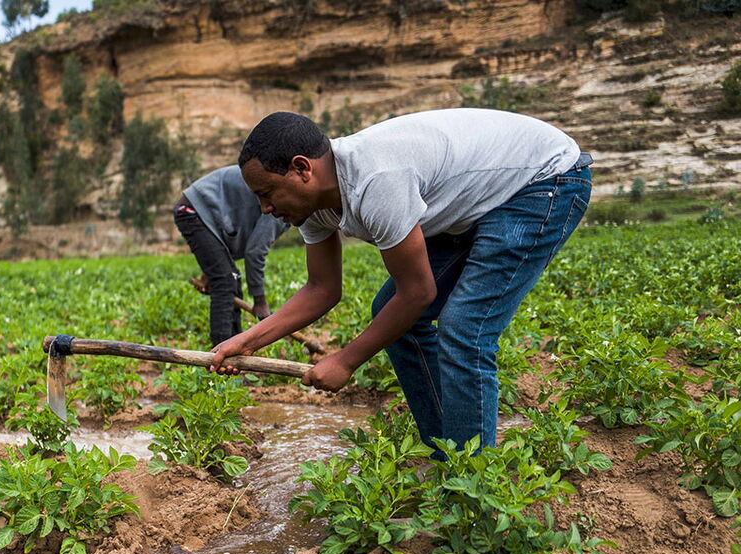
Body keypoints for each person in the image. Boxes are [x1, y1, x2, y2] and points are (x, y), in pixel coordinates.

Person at [210, 109, 592, 452]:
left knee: (465, 327)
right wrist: (246, 342)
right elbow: (322, 289)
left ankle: (473, 485)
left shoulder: (376, 181)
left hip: (545, 179)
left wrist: (346, 360)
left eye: (267, 193)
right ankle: (448, 453)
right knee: (391, 316)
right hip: (480, 201)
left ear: (302, 169)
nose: (264, 208)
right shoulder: (312, 208)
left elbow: (419, 292)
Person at [174, 164, 289, 346]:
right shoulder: (281, 204)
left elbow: (234, 239)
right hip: (194, 210)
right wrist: (259, 300)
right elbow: (255, 251)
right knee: (226, 281)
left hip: (201, 211)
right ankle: (221, 359)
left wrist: (211, 272)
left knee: (230, 278)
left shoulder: (281, 194)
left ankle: (234, 353)